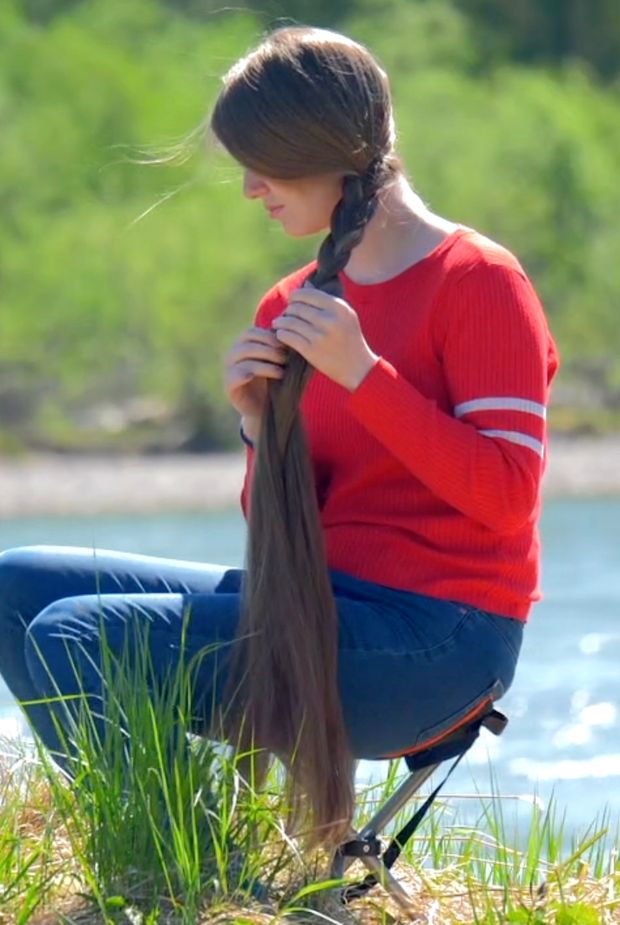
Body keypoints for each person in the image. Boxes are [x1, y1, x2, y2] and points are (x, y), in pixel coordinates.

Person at [0, 25, 558, 852]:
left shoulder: (478, 282)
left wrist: (364, 375)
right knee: (18, 587)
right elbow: (281, 531)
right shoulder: (291, 303)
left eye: (264, 162)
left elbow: (507, 498)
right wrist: (261, 429)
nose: (251, 187)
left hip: (438, 643)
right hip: (317, 599)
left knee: (80, 634)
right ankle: (187, 845)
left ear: (326, 151)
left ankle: (169, 860)